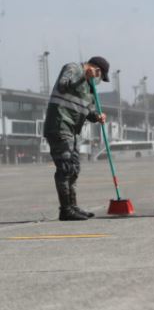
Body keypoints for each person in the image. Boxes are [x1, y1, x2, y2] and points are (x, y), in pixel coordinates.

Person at [43, 57, 109, 221]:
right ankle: (65, 210)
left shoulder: (88, 87)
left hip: (73, 131)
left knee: (74, 169)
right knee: (65, 168)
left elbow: (87, 111)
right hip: (60, 125)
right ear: (96, 69)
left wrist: (97, 116)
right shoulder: (73, 68)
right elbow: (62, 86)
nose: (98, 80)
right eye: (100, 76)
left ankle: (73, 206)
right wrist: (82, 76)